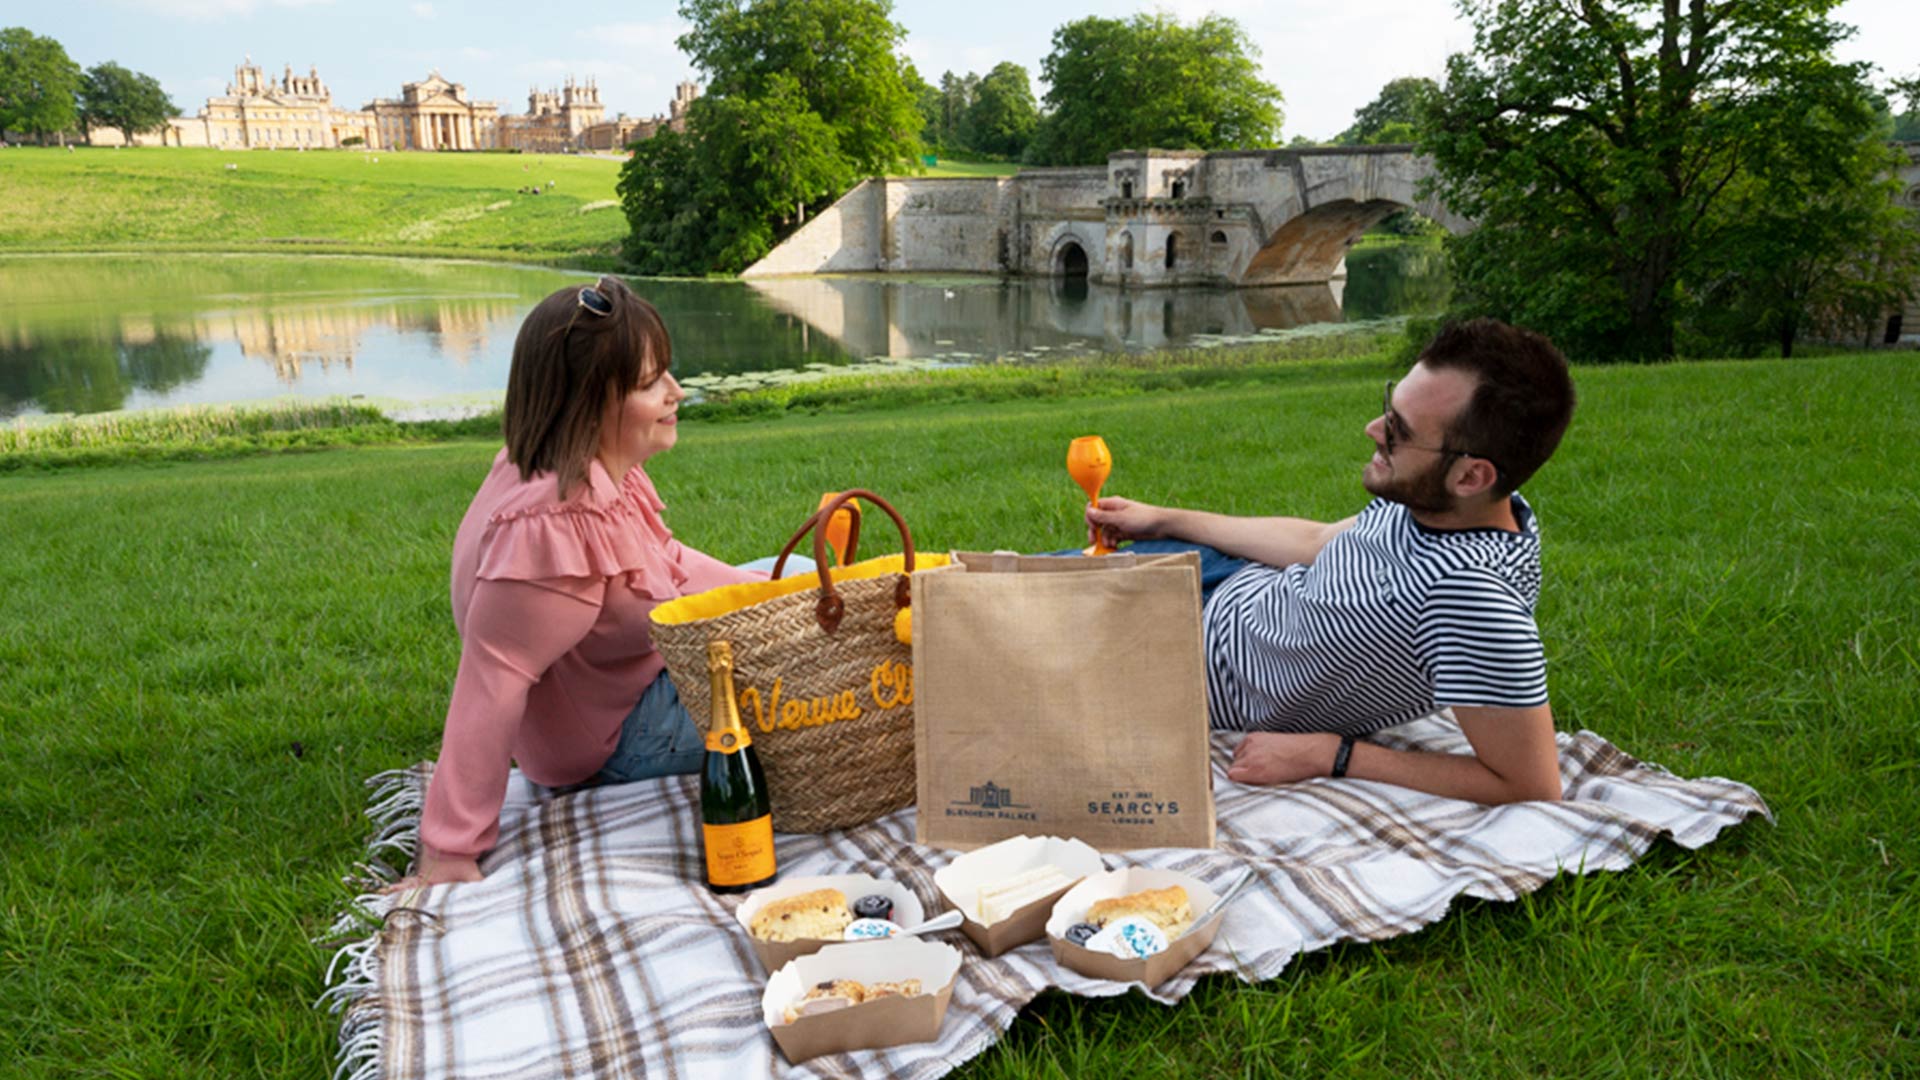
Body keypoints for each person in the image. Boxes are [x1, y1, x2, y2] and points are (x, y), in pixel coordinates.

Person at [1087, 318, 1577, 805]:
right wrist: (1168, 521)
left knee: (1013, 627)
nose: (1372, 429)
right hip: (1222, 580)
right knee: (1013, 588)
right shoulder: (1439, 499)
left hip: (1185, 659)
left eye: (1399, 431)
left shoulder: (1471, 597)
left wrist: (1333, 755)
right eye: (1389, 406)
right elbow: (1315, 542)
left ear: (1472, 476)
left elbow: (1531, 784)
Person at [394, 277, 767, 888]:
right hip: (616, 737)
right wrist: (448, 851)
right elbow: (491, 682)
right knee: (815, 685)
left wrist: (771, 591)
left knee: (805, 583)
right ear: (590, 401)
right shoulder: (557, 522)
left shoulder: (576, 469)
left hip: (635, 683)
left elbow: (666, 560)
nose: (676, 393)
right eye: (651, 384)